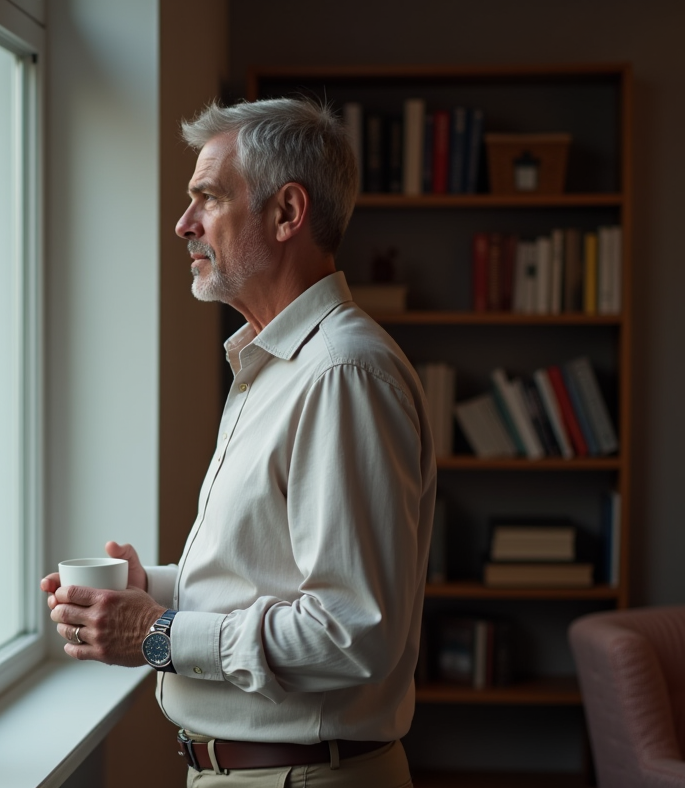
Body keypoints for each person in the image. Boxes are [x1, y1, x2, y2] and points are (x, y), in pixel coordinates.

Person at [41, 97, 436, 787]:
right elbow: (269, 573)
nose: (183, 225)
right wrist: (154, 590)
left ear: (287, 213)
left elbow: (351, 631)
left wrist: (158, 634)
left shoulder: (341, 374)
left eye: (208, 199)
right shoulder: (272, 365)